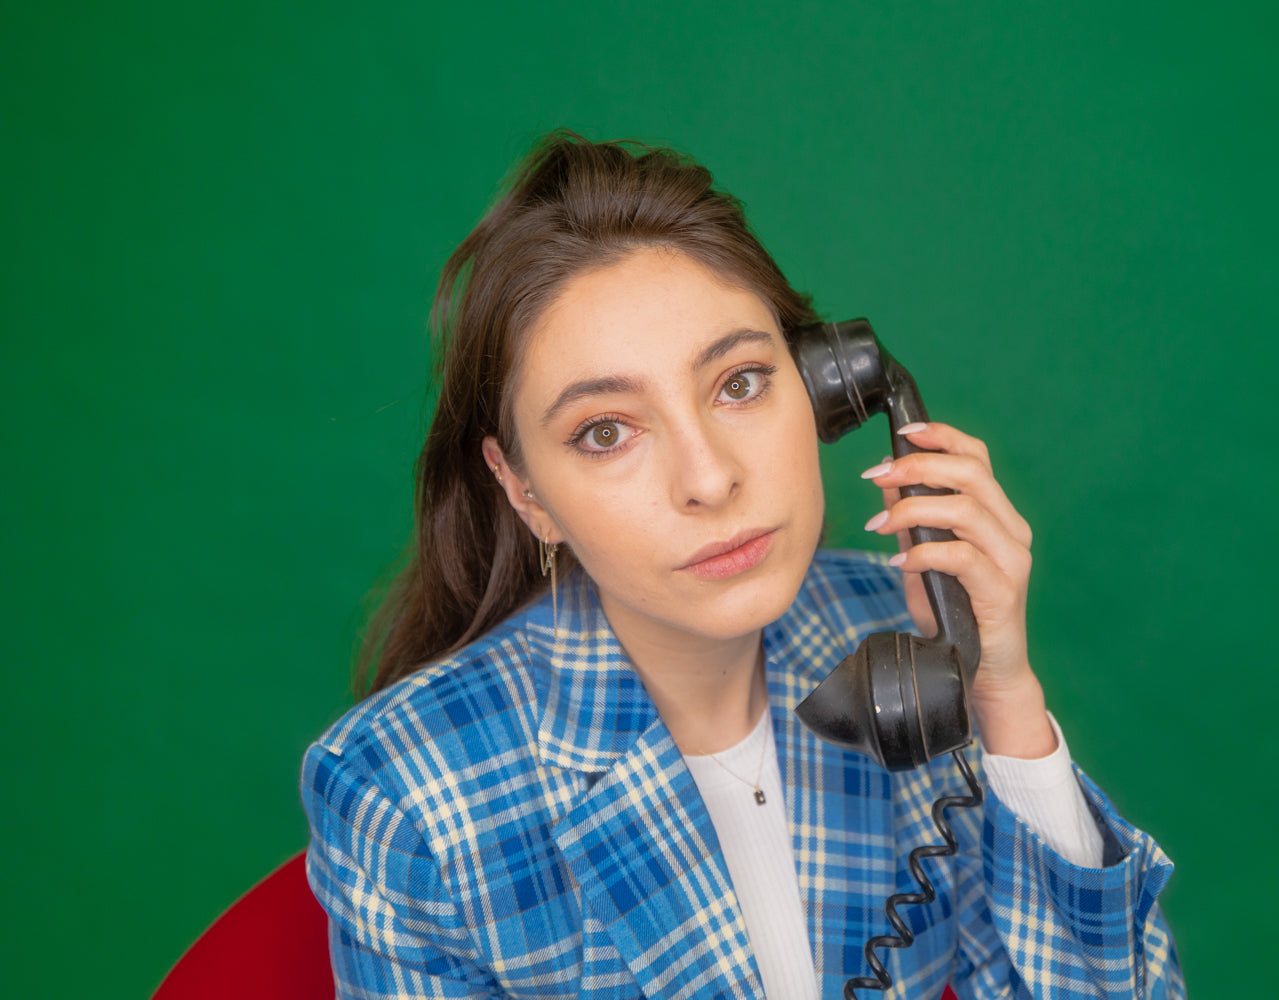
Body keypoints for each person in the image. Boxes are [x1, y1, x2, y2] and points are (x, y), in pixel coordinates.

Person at [300, 130, 1184, 1000]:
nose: (711, 477)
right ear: (525, 490)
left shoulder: (901, 651)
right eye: (606, 432)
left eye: (740, 383)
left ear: (829, 387)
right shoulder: (407, 797)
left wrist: (1001, 696)